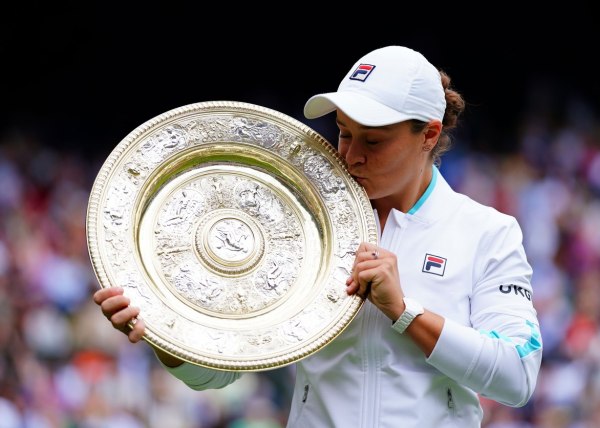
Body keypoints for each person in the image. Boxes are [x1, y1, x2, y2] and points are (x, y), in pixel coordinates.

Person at [94, 45, 543, 427]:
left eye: (373, 141)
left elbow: (517, 377)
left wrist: (404, 311)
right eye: (344, 133)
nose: (351, 155)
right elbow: (221, 372)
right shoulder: (300, 226)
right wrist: (165, 337)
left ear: (429, 134)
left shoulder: (486, 232)